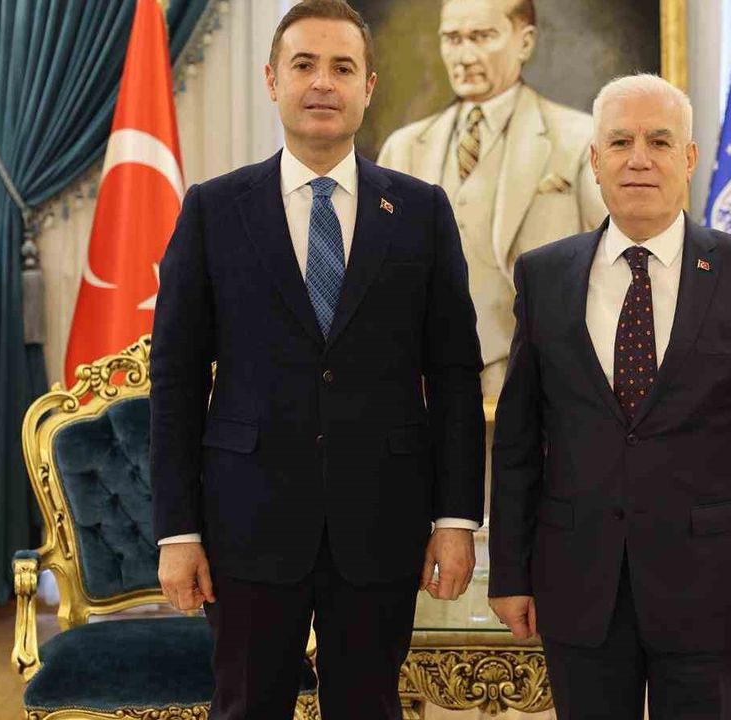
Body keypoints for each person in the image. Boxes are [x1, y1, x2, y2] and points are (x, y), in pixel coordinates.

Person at [149, 2, 486, 718]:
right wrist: (178, 532)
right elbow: (176, 381)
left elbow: (456, 374)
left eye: (342, 67)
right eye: (304, 65)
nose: (323, 83)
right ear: (273, 80)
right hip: (246, 522)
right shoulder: (214, 210)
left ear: (369, 86)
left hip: (382, 522)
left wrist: (457, 519)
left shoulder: (422, 213)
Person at [487, 73, 731, 720]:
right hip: (578, 587)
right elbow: (519, 443)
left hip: (714, 594)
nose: (638, 158)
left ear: (689, 158)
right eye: (620, 142)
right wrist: (510, 572)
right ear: (595, 161)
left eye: (660, 142)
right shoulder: (543, 275)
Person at [377, 0, 605, 397]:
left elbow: (613, 261)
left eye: (482, 37)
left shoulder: (580, 138)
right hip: (426, 387)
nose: (464, 56)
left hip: (541, 380)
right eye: (453, 39)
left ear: (525, 42)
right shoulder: (404, 148)